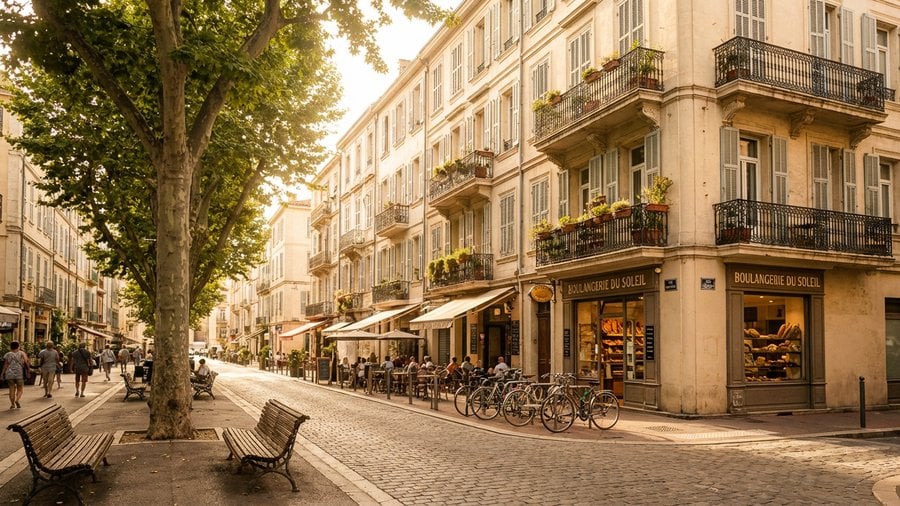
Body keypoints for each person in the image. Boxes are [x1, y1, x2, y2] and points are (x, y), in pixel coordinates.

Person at [2, 341, 29, 409]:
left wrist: (2, 373)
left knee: (11, 389)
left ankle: (12, 404)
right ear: (18, 346)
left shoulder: (7, 354)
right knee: (20, 389)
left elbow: (5, 365)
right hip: (19, 373)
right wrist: (28, 371)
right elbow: (26, 362)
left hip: (9, 373)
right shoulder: (22, 353)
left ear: (11, 347)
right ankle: (17, 400)